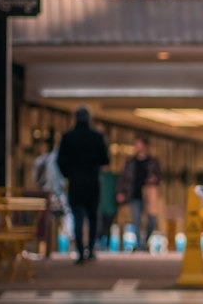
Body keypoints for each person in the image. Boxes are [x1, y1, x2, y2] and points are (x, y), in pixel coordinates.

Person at [56, 108, 110, 265]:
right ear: (89, 119)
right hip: (92, 181)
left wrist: (69, 174)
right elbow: (105, 159)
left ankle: (80, 251)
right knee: (93, 217)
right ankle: (91, 250)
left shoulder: (67, 137)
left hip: (75, 182)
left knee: (78, 217)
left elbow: (60, 161)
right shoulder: (96, 137)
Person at [119, 136, 161, 251]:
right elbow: (124, 178)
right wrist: (121, 192)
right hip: (134, 194)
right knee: (136, 220)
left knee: (152, 219)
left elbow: (160, 176)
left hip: (149, 194)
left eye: (139, 144)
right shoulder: (131, 162)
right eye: (136, 144)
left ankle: (146, 241)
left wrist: (154, 179)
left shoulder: (153, 161)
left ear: (145, 146)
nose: (137, 147)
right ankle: (139, 244)